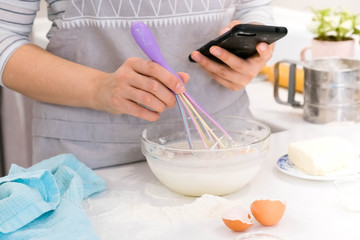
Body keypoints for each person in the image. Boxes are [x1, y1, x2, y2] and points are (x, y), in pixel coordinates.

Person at [0, 0, 274, 169]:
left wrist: (250, 48)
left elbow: (253, 5)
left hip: (226, 147)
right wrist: (99, 88)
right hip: (91, 163)